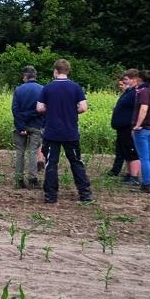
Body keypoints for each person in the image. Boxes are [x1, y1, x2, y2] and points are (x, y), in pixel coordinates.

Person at [36, 59, 92, 204]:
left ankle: (51, 196)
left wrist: (52, 110)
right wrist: (72, 111)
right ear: (68, 71)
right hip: (70, 131)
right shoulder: (75, 87)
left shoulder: (47, 88)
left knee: (51, 163)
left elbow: (40, 108)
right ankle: (85, 194)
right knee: (76, 162)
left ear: (55, 70)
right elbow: (84, 107)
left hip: (52, 131)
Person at [11, 65, 44, 189]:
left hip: (21, 125)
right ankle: (32, 179)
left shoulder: (18, 90)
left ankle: (19, 180)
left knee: (20, 152)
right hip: (36, 124)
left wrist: (21, 125)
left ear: (25, 77)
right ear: (35, 76)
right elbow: (43, 109)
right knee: (33, 152)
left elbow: (15, 109)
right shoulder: (42, 89)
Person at [109, 71, 139, 183]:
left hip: (128, 127)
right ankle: (129, 174)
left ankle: (134, 177)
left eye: (126, 79)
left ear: (134, 79)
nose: (124, 81)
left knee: (132, 152)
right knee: (126, 152)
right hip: (122, 127)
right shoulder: (129, 92)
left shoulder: (136, 93)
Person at [131, 69, 150, 193]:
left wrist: (137, 125)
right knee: (149, 157)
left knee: (144, 158)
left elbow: (143, 109)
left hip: (143, 128)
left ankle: (146, 184)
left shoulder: (143, 92)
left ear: (140, 79)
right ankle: (149, 181)